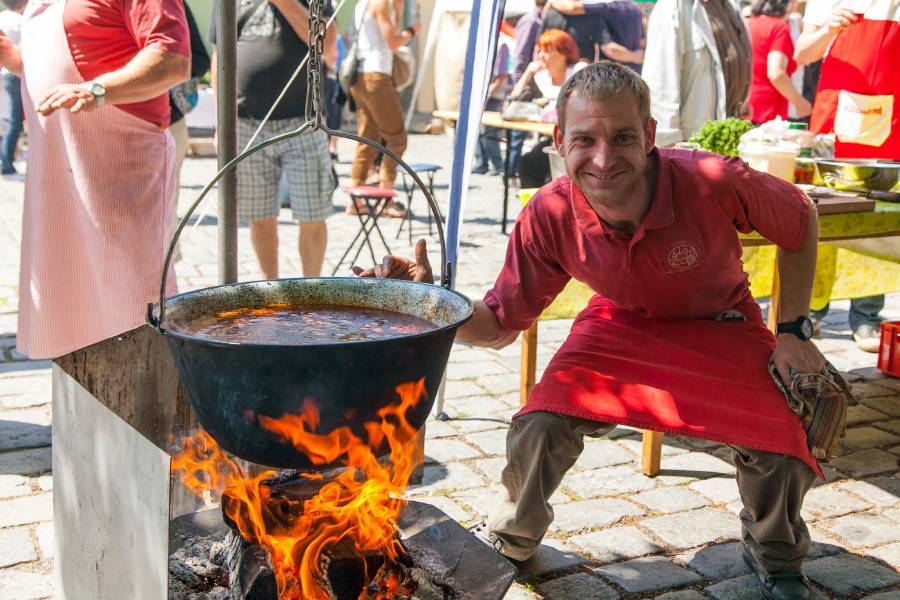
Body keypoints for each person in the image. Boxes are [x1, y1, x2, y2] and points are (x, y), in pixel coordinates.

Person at [357, 62, 830, 600]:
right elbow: (499, 326)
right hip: (619, 324)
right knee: (540, 424)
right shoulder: (549, 213)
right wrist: (427, 303)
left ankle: (776, 553)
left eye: (623, 137)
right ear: (559, 140)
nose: (604, 159)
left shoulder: (710, 178)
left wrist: (793, 330)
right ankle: (512, 537)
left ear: (650, 135)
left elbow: (801, 217)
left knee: (781, 440)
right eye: (585, 139)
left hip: (721, 323)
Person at [0, 0, 190, 359]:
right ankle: (84, 406)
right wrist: (15, 60)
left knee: (132, 298)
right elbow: (70, 59)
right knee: (70, 301)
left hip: (119, 164)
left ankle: (147, 405)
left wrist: (98, 90)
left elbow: (172, 60)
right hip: (59, 173)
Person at [795, 0, 899, 352]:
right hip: (835, 120)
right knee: (820, 220)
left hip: (888, 124)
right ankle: (810, 309)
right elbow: (802, 53)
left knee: (876, 225)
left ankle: (867, 316)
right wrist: (828, 30)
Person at [209, 0, 338, 280]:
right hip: (247, 122)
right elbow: (220, 56)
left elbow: (328, 47)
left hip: (304, 121)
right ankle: (271, 293)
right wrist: (221, 122)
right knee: (260, 215)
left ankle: (311, 292)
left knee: (312, 214)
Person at [643, 0, 752, 146]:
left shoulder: (731, 5)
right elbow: (660, 83)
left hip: (726, 139)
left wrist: (741, 101)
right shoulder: (673, 6)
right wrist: (669, 147)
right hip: (691, 147)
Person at [347, 0, 419, 217]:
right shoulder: (379, 3)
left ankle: (355, 200)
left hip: (361, 75)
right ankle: (385, 200)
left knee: (367, 138)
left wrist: (397, 11)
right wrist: (412, 31)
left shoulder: (363, 4)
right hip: (376, 75)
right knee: (397, 138)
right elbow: (393, 42)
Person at [512, 29, 586, 188]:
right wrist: (527, 74)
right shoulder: (541, 78)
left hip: (583, 139)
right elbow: (514, 102)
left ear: (563, 53)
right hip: (556, 138)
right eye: (539, 51)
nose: (540, 56)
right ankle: (536, 210)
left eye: (546, 51)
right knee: (527, 164)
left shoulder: (579, 72)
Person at [747, 0, 811, 123]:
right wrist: (800, 102)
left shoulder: (750, 23)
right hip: (770, 111)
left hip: (748, 106)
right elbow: (776, 73)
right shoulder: (779, 28)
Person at [544, 0, 645, 72]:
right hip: (636, 72)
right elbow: (642, 40)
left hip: (614, 74)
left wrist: (552, 2)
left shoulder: (603, 5)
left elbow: (572, 7)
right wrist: (638, 57)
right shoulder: (635, 7)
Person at [508, 0, 547, 179]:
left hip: (534, 85)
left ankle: (514, 171)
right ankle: (511, 173)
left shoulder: (538, 20)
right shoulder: (532, 21)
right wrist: (521, 86)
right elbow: (521, 56)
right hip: (527, 85)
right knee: (517, 136)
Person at [472, 36, 510, 176]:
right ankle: (482, 163)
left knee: (489, 133)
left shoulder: (500, 45)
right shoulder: (481, 43)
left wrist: (487, 93)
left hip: (493, 95)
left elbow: (502, 76)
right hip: (483, 95)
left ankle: (498, 165)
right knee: (479, 131)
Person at [0, 0, 23, 176]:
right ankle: (7, 162)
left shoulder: (2, 17)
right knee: (16, 121)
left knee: (9, 119)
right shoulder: (22, 20)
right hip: (16, 73)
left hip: (7, 74)